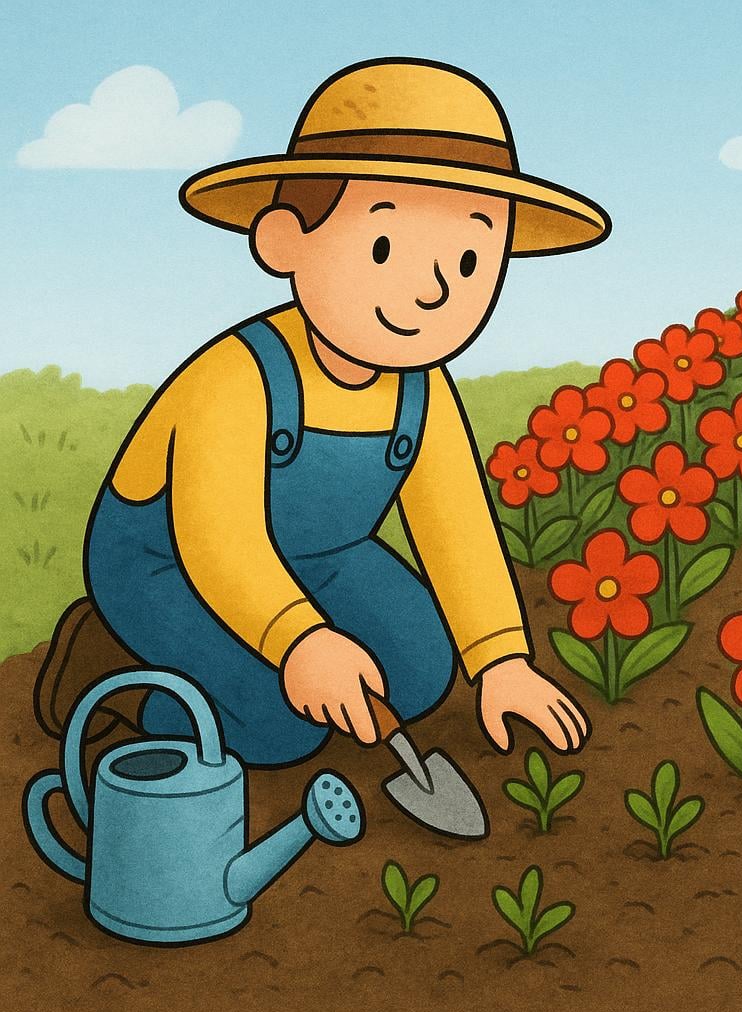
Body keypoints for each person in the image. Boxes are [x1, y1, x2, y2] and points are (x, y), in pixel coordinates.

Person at [36, 57, 611, 767]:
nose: (433, 290)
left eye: (467, 261)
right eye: (382, 247)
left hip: (318, 556)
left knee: (420, 670)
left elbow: (455, 522)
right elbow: (220, 542)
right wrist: (300, 639)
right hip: (166, 561)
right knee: (279, 724)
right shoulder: (239, 376)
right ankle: (120, 679)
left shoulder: (420, 389)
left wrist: (500, 660)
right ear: (286, 241)